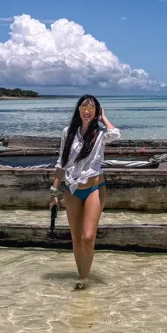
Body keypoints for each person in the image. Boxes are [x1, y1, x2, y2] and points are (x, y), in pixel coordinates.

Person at [49, 95, 120, 290]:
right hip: (72, 189)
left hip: (94, 188)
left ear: (96, 112)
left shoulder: (100, 134)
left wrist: (103, 118)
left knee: (88, 237)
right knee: (76, 237)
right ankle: (82, 275)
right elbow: (61, 162)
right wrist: (54, 190)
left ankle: (84, 279)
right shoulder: (68, 132)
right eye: (83, 107)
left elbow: (116, 134)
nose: (86, 111)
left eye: (91, 108)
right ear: (78, 110)